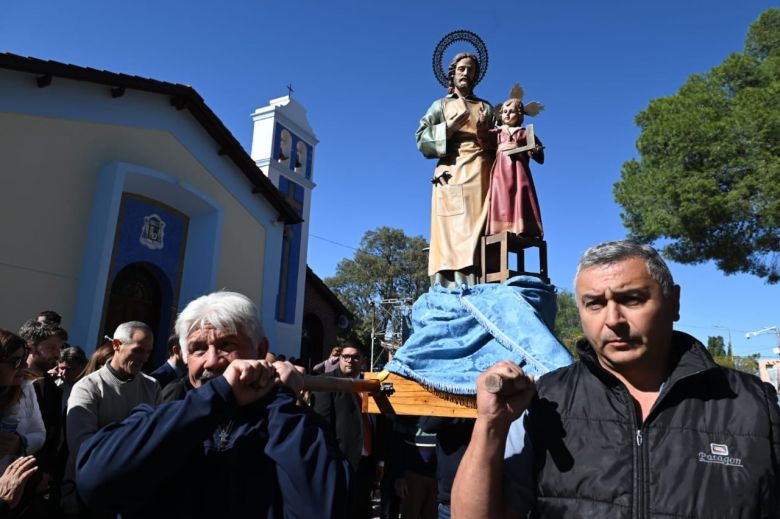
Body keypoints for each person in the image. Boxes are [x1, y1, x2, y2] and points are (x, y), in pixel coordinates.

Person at [452, 240, 780, 518]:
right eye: (594, 304)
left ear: (674, 302)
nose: (612, 320)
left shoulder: (753, 404)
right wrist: (490, 426)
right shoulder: (544, 401)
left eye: (632, 299)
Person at [75, 291, 351, 517]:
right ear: (183, 357)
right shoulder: (159, 414)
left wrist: (280, 397)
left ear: (261, 350)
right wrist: (217, 395)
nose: (212, 361)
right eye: (197, 349)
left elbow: (326, 508)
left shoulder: (293, 424)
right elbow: (94, 482)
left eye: (227, 345)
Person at [64, 321, 160, 513]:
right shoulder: (88, 387)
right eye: (138, 351)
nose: (144, 359)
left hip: (134, 496)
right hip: (91, 494)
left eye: (148, 352)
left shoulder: (152, 386)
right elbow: (82, 448)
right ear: (116, 345)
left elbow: (157, 437)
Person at [416, 52, 494, 287]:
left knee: (478, 228)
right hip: (450, 172)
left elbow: (502, 135)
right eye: (462, 69)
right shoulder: (440, 105)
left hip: (481, 172)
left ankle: (480, 277)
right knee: (450, 230)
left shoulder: (485, 107)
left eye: (471, 70)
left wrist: (486, 135)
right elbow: (421, 140)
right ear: (452, 73)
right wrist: (448, 128)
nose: (466, 74)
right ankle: (448, 282)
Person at [312, 343, 382, 518]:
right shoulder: (327, 383)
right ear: (340, 359)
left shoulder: (371, 384)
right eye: (346, 357)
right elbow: (322, 426)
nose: (350, 361)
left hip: (367, 464)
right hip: (341, 463)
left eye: (355, 357)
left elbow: (380, 425)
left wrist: (380, 460)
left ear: (363, 361)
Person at [482, 97, 544, 237]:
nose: (507, 114)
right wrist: (481, 124)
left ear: (520, 114)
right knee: (501, 197)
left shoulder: (525, 132)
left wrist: (535, 151)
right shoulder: (497, 132)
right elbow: (483, 139)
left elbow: (538, 155)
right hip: (501, 171)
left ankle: (521, 227)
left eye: (511, 111)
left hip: (519, 170)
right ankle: (499, 228)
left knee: (519, 196)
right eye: (504, 112)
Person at [0, 330, 45, 473]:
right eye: (16, 361)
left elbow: (39, 433)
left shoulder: (26, 388)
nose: (25, 366)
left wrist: (20, 443)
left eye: (24, 358)